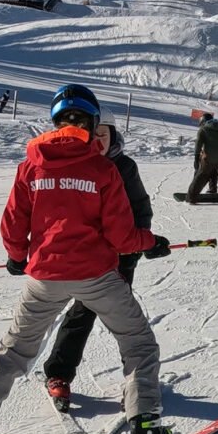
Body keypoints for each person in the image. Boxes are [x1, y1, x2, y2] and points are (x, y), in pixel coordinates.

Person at [0, 83, 181, 434]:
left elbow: (12, 223)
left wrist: (16, 257)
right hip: (96, 277)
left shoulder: (31, 164)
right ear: (92, 124)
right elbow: (121, 236)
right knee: (138, 344)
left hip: (43, 277)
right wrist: (151, 241)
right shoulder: (102, 169)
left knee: (15, 351)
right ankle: (146, 431)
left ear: (56, 123)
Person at [42, 108, 153, 413]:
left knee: (127, 326)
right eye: (95, 135)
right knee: (82, 314)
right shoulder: (79, 166)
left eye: (105, 136)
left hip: (120, 258)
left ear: (112, 137)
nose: (99, 142)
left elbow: (140, 207)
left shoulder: (124, 167)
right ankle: (58, 373)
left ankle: (135, 384)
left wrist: (141, 241)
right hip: (88, 261)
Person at [187, 113, 218, 202]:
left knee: (201, 176)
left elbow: (198, 145)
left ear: (203, 121)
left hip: (209, 159)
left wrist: (196, 158)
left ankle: (191, 197)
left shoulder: (203, 129)